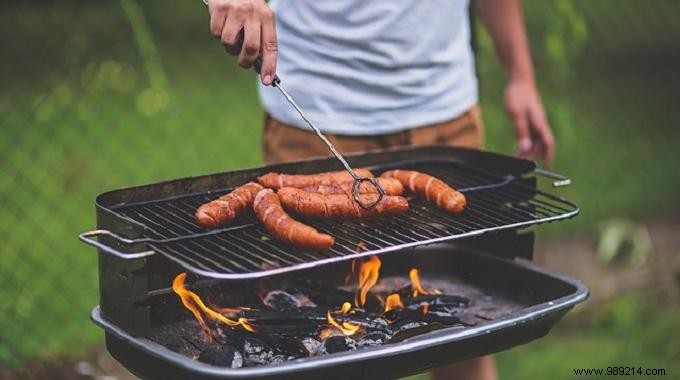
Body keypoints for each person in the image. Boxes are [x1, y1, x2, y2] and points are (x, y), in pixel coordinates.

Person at [206, 0, 554, 379]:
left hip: (444, 109)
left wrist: (521, 76)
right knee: (317, 334)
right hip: (313, 113)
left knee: (463, 327)